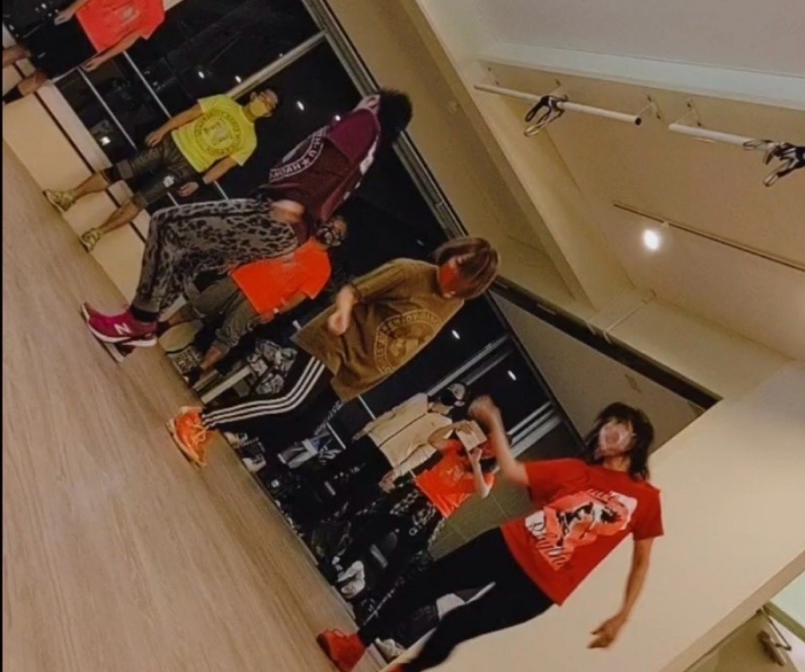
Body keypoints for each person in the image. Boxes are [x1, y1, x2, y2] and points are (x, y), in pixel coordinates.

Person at [316, 398, 662, 672]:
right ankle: (354, 646)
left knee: (458, 625)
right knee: (425, 585)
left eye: (619, 426)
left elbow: (642, 560)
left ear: (635, 441)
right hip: (505, 545)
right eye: (607, 423)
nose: (608, 430)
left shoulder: (645, 499)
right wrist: (494, 422)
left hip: (540, 588)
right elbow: (513, 471)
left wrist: (622, 616)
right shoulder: (577, 470)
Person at [81, 89, 412, 349]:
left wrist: (296, 199)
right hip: (285, 225)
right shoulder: (369, 151)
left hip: (279, 215)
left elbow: (326, 167)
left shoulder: (365, 123)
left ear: (377, 103)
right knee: (193, 256)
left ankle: (138, 321)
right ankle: (139, 331)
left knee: (167, 223)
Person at [166, 237, 499, 467]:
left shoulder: (454, 304)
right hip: (335, 343)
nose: (454, 276)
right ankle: (199, 419)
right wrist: (342, 312)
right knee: (289, 399)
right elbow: (352, 290)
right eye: (457, 263)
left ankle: (221, 425)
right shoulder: (410, 271)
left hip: (356, 373)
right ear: (450, 253)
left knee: (299, 423)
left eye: (464, 278)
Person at [44, 89, 279, 252]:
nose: (263, 103)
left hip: (186, 167)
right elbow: (189, 114)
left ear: (268, 114)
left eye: (269, 104)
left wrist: (200, 182)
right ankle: (69, 196)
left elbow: (224, 166)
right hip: (171, 143)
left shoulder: (250, 141)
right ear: (253, 95)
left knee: (141, 200)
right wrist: (162, 130)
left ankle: (97, 233)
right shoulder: (223, 102)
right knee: (119, 171)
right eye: (263, 97)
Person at [320, 421, 496, 604]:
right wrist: (454, 426)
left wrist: (476, 464)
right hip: (416, 491)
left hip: (436, 509)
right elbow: (434, 440)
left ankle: (373, 601)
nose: (486, 448)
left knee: (402, 556)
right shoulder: (457, 447)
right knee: (375, 527)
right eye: (487, 441)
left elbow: (483, 492)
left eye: (492, 448)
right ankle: (341, 565)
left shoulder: (487, 475)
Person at [159, 215, 347, 385]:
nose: (329, 230)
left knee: (228, 336)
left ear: (338, 242)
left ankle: (196, 372)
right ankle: (161, 327)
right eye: (330, 224)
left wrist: (275, 311)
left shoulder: (323, 269)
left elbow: (300, 296)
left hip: (259, 302)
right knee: (200, 304)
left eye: (336, 232)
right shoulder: (297, 235)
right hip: (242, 278)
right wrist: (238, 259)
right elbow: (263, 248)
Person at [2, 0, 194, 100]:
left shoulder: (157, 15)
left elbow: (130, 39)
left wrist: (103, 58)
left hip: (91, 45)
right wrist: (72, 9)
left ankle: (5, 101)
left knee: (42, 75)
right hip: (76, 21)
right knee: (24, 49)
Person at [292, 382, 469, 522]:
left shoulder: (445, 425)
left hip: (390, 458)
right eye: (451, 387)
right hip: (373, 439)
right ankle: (295, 495)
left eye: (456, 392)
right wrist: (367, 428)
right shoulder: (420, 398)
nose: (450, 391)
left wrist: (398, 471)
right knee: (335, 466)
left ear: (459, 403)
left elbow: (423, 453)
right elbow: (392, 413)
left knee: (352, 487)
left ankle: (314, 518)